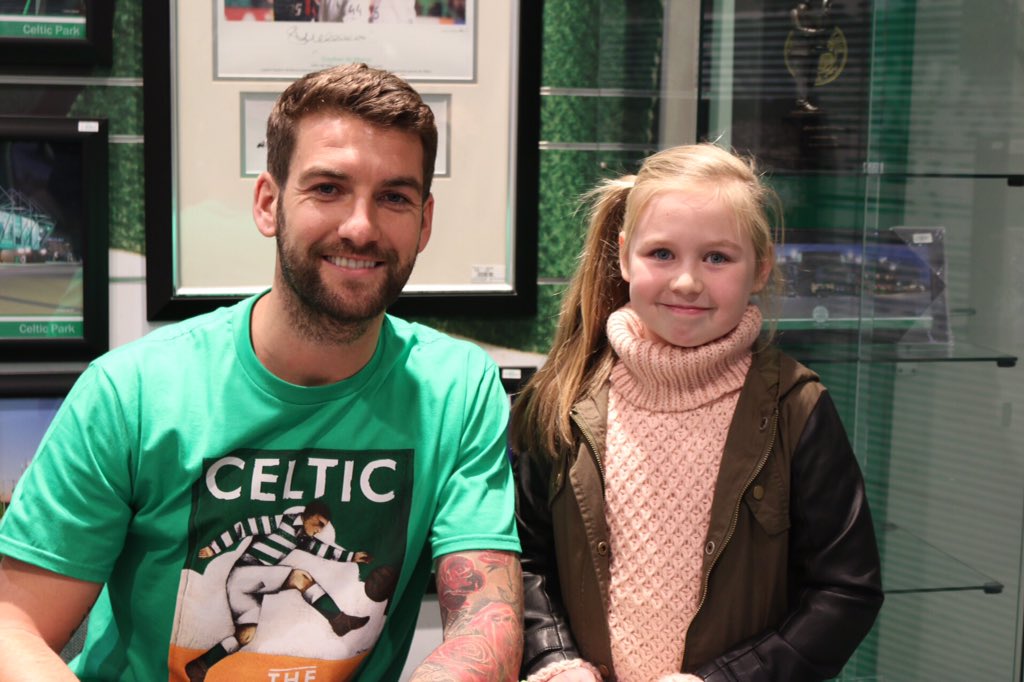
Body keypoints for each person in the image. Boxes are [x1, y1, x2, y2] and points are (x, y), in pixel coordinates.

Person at [0, 63, 523, 681]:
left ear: (424, 222)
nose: (360, 226)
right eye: (328, 188)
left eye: (394, 197)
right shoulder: (132, 392)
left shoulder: (458, 388)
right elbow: (17, 625)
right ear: (269, 203)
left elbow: (487, 620)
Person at [511, 143, 883, 681]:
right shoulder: (562, 399)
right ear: (622, 256)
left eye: (717, 257)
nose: (687, 281)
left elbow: (846, 590)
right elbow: (525, 561)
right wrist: (554, 659)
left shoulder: (797, 408)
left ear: (760, 267)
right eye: (661, 254)